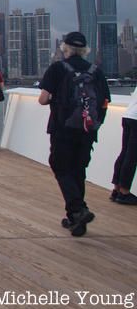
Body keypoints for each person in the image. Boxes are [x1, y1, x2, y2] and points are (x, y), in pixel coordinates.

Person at [38, 32, 110, 236]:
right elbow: (105, 101)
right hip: (87, 129)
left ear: (65, 48)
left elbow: (43, 99)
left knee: (60, 166)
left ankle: (78, 210)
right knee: (78, 170)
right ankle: (75, 219)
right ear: (85, 50)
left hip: (62, 128)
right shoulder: (96, 71)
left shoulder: (58, 68)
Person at [112, 86, 137, 205]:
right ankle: (124, 192)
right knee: (131, 157)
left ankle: (116, 190)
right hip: (136, 119)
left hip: (128, 116)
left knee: (125, 153)